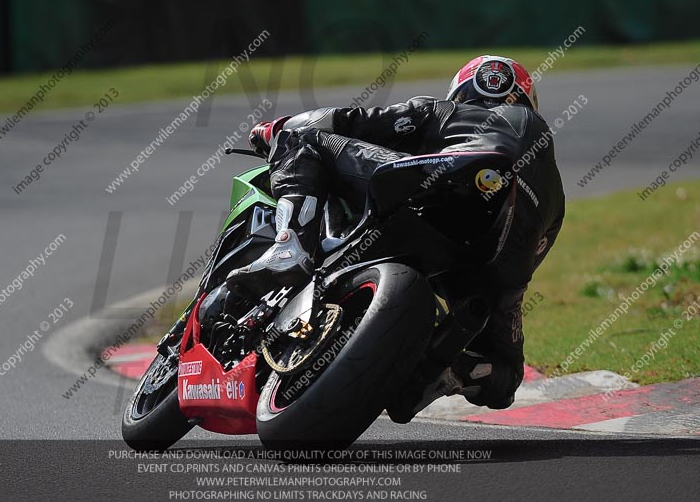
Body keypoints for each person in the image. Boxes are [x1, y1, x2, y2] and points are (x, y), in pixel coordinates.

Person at [226, 55, 565, 418]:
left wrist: (274, 128)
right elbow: (533, 254)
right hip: (496, 257)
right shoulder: (556, 195)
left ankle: (289, 246)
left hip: (442, 185)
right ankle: (448, 370)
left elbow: (348, 121)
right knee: (506, 371)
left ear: (462, 91)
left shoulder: (443, 111)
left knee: (302, 140)